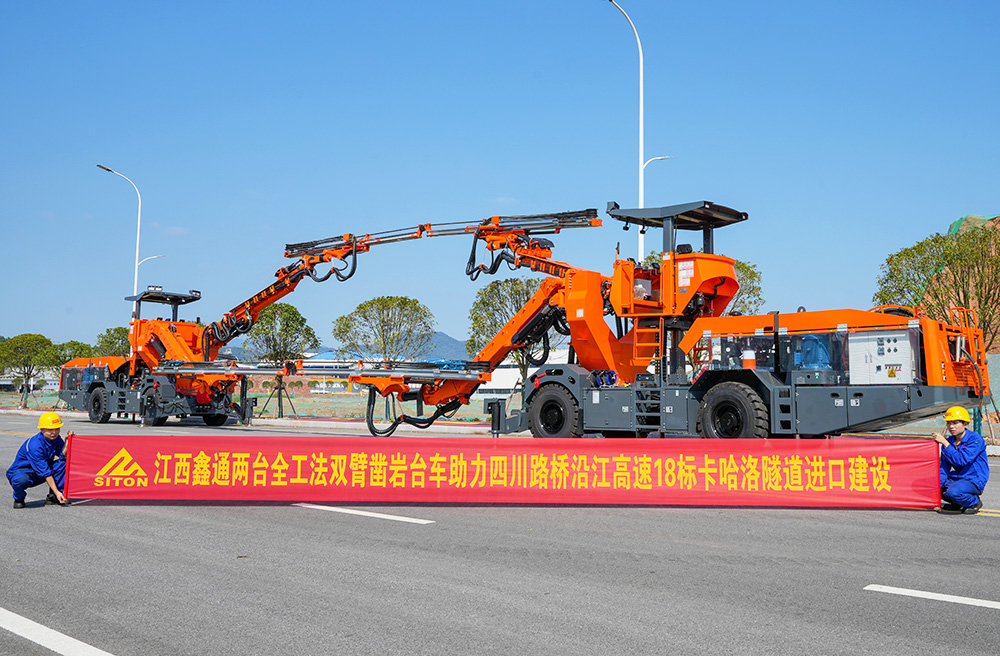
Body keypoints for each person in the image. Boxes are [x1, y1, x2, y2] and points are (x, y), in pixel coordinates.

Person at [6, 412, 74, 509]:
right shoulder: (35, 446)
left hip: (42, 470)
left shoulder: (55, 439)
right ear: (42, 429)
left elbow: (62, 456)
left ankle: (54, 497)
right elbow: (46, 473)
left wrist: (67, 441)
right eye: (50, 430)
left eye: (57, 429)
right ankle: (19, 498)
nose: (54, 432)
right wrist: (57, 491)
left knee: (64, 463)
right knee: (20, 480)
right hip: (25, 472)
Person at [931, 406, 990, 514]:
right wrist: (936, 489)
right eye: (949, 423)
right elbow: (944, 468)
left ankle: (974, 502)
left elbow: (962, 460)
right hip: (958, 478)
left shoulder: (975, 439)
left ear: (965, 424)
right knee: (933, 488)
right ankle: (957, 503)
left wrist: (945, 443)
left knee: (953, 492)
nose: (951, 426)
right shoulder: (949, 442)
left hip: (973, 479)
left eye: (955, 423)